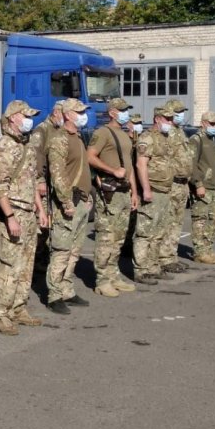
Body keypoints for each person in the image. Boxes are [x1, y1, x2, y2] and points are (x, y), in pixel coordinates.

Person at [0, 100, 47, 335]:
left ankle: (19, 308)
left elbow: (31, 182)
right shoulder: (3, 146)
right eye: (25, 115)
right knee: (9, 265)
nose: (29, 120)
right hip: (13, 212)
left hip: (28, 213)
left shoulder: (26, 145)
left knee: (26, 264)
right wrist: (10, 217)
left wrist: (40, 210)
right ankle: (2, 313)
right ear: (12, 118)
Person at [87, 97, 139, 296]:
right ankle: (102, 280)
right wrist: (111, 170)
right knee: (106, 236)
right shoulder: (103, 133)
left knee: (119, 237)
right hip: (110, 192)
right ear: (112, 112)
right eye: (122, 110)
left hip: (124, 191)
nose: (125, 113)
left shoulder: (125, 134)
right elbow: (90, 156)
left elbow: (130, 166)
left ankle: (113, 275)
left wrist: (134, 191)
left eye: (126, 109)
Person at [45, 98, 93, 314]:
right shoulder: (59, 139)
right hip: (68, 203)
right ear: (67, 114)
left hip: (81, 201)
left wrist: (87, 198)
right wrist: (65, 202)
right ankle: (54, 294)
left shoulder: (78, 137)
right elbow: (58, 175)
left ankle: (67, 289)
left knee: (74, 250)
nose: (84, 115)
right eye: (79, 111)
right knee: (62, 250)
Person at [132, 107, 175, 285]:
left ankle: (153, 266)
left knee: (159, 232)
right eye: (167, 118)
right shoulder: (147, 137)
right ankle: (141, 270)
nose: (170, 122)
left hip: (164, 190)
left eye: (172, 119)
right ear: (157, 119)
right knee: (145, 233)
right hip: (153, 190)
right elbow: (141, 164)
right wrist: (146, 189)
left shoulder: (164, 138)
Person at [159, 99, 194, 273]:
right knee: (168, 222)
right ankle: (164, 258)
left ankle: (171, 256)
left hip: (182, 184)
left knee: (177, 223)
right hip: (171, 183)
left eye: (182, 111)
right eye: (177, 112)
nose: (181, 115)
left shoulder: (179, 132)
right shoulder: (166, 133)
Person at [30, 101, 65, 273]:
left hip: (55, 183)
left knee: (51, 223)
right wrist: (40, 180)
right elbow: (37, 156)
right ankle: (37, 260)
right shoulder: (42, 130)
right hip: (44, 183)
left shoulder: (59, 130)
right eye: (64, 114)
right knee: (42, 224)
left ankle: (44, 258)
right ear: (56, 112)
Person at [189, 111, 215, 264]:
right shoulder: (196, 139)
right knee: (201, 219)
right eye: (212, 123)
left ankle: (208, 249)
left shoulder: (211, 139)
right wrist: (198, 184)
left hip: (213, 187)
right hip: (203, 187)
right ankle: (200, 252)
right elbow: (191, 164)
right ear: (203, 123)